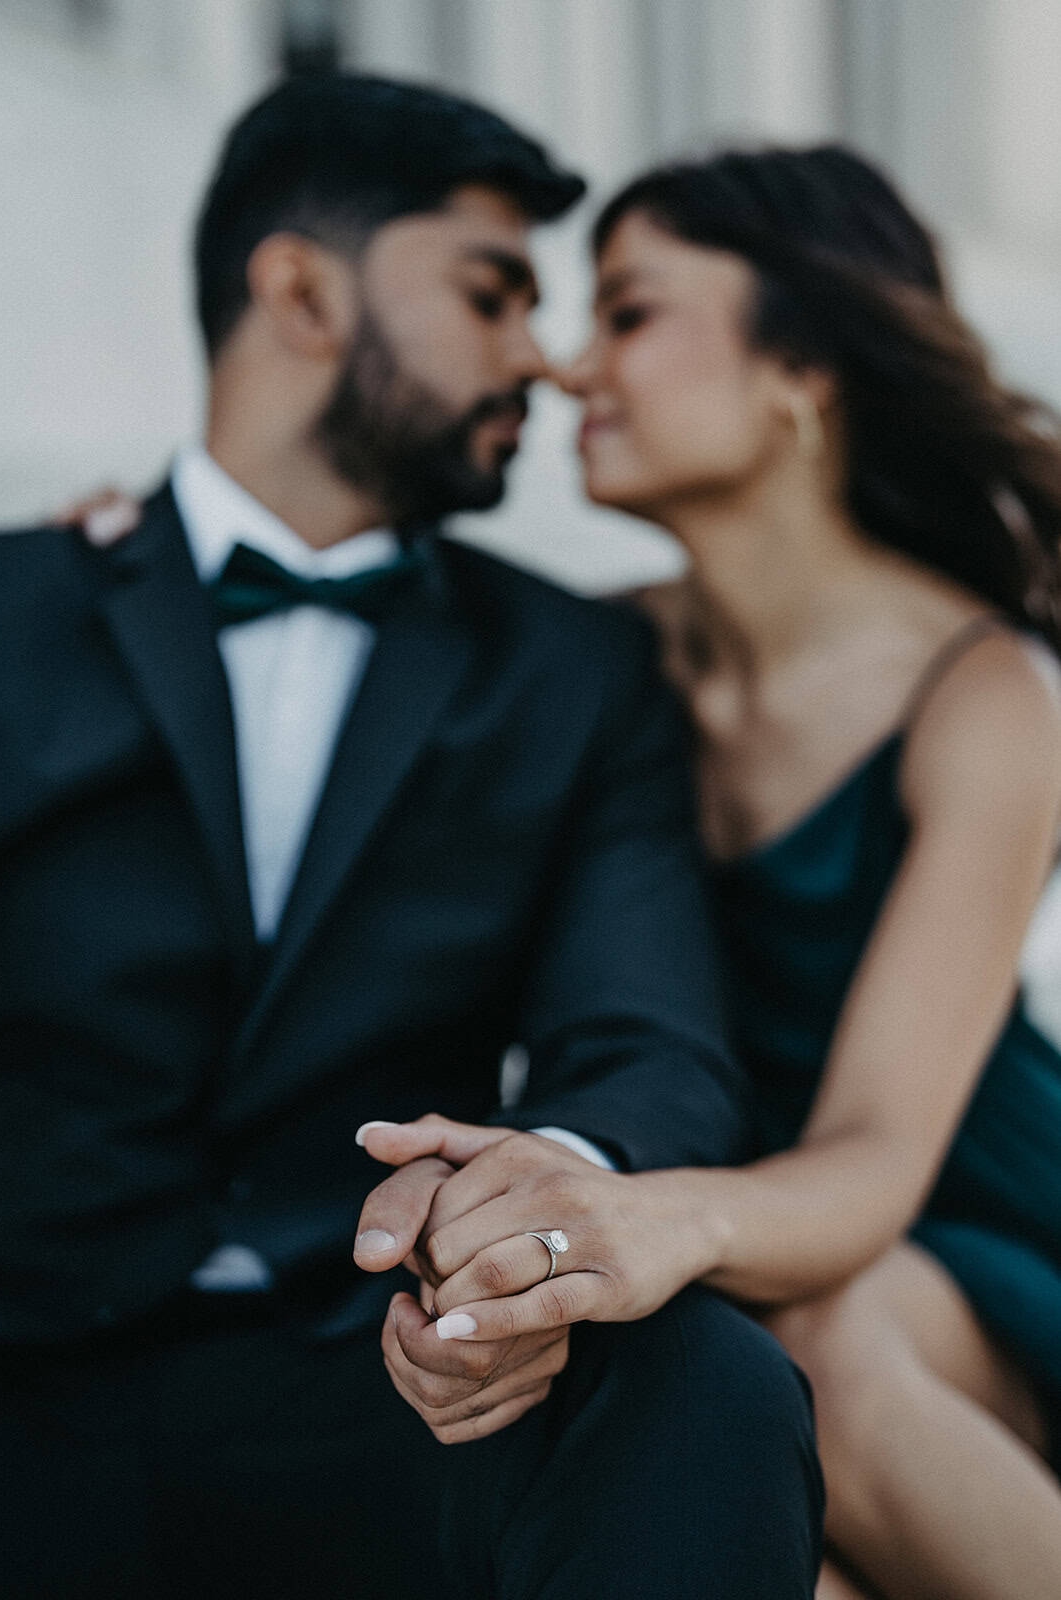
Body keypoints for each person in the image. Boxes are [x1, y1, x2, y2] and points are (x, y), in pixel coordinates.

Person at [0, 77, 823, 1599]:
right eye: (492, 292)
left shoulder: (573, 671)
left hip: (384, 1375)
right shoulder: (14, 609)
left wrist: (533, 1217)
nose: (541, 357)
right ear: (302, 290)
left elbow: (647, 1038)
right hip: (20, 1374)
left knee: (704, 1385)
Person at [359, 145, 1061, 1600]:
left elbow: (876, 1152)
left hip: (952, 1226)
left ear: (800, 366)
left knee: (819, 1348)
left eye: (629, 312)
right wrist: (126, 551)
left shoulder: (986, 698)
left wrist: (643, 1222)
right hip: (719, 1230)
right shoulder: (602, 656)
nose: (564, 367)